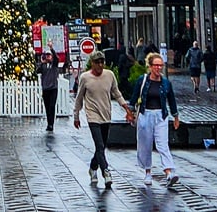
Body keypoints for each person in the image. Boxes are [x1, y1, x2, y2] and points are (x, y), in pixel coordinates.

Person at [72, 53, 131, 189]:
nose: (100, 65)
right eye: (97, 62)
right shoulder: (85, 77)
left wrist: (126, 109)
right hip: (93, 116)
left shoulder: (109, 75)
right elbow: (79, 98)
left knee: (101, 146)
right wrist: (76, 116)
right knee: (99, 144)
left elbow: (116, 92)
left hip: (106, 115)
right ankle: (106, 172)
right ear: (92, 63)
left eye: (102, 62)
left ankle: (93, 167)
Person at [128, 52, 181, 189]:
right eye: (156, 65)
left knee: (163, 144)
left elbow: (172, 100)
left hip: (161, 116)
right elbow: (134, 98)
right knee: (145, 145)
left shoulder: (165, 83)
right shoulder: (143, 80)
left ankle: (169, 172)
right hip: (145, 115)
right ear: (150, 66)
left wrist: (175, 116)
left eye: (160, 66)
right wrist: (129, 112)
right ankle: (147, 172)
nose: (158, 68)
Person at [39, 51, 63, 133]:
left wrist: (51, 48)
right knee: (47, 106)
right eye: (47, 56)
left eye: (49, 55)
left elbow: (56, 58)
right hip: (45, 89)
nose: (48, 57)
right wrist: (42, 63)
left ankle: (51, 124)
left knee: (52, 106)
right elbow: (37, 71)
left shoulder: (54, 65)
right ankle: (49, 123)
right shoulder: (44, 66)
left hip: (53, 88)